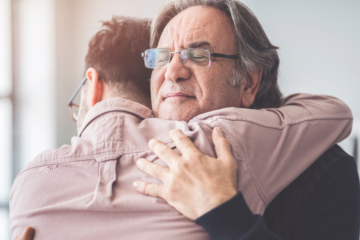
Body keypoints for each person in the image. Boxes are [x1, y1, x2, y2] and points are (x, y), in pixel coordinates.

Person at [10, 4, 357, 240]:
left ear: (249, 82)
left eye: (197, 54)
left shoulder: (320, 168)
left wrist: (225, 213)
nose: (173, 72)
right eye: (162, 57)